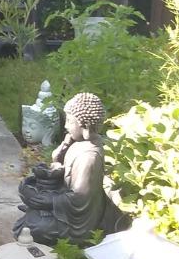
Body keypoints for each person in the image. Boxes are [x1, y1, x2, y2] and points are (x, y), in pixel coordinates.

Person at [14, 92, 114, 245]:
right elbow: (63, 171)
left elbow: (80, 197)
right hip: (65, 201)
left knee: (34, 227)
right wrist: (59, 155)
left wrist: (51, 201)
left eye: (69, 121)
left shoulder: (89, 157)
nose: (66, 126)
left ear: (85, 125)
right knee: (27, 187)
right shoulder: (77, 143)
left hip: (78, 222)